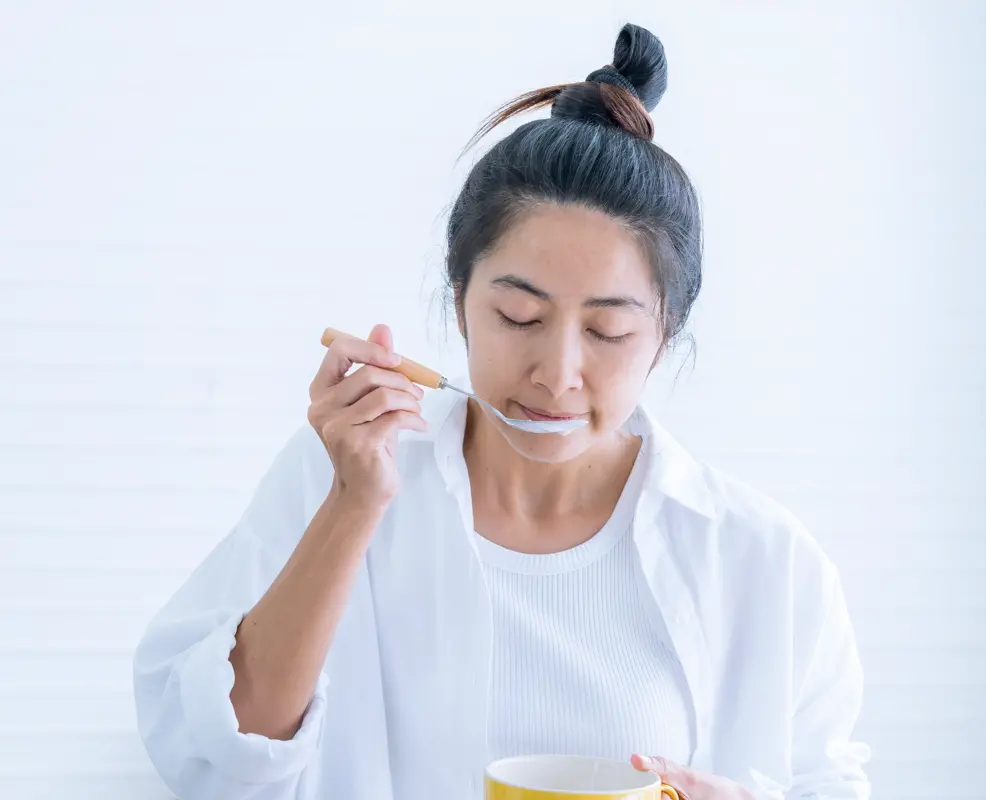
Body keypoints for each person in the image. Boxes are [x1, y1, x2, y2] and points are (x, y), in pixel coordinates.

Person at [132, 23, 870, 800]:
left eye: (607, 332)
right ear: (459, 301)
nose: (557, 375)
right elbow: (216, 757)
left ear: (665, 335)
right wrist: (355, 504)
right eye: (519, 317)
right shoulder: (341, 474)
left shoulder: (760, 558)